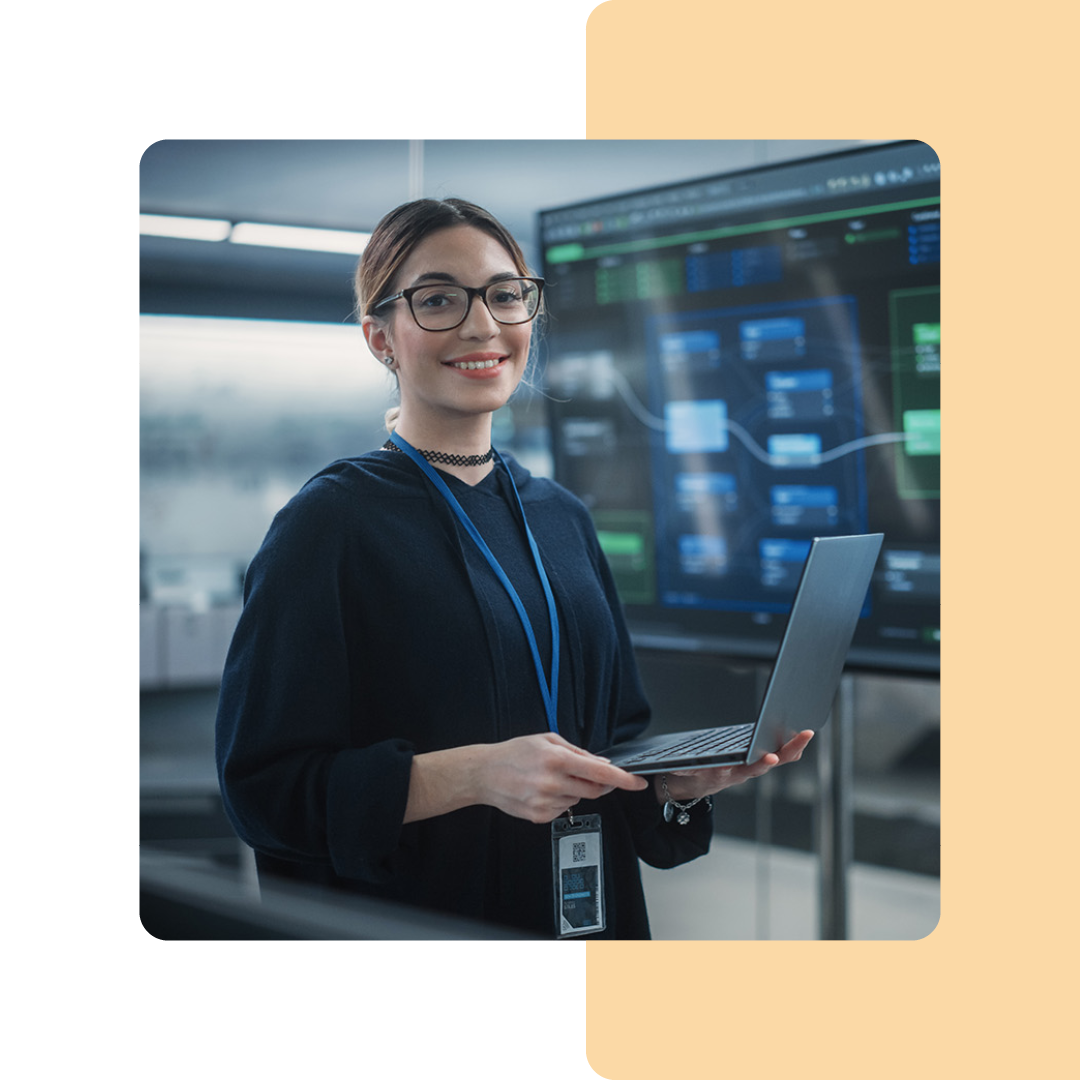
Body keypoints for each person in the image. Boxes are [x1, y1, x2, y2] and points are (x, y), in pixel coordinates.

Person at [215, 197, 812, 939]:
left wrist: (672, 785)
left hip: (586, 918)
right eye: (438, 300)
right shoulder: (329, 526)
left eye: (504, 295)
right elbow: (265, 794)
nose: (482, 325)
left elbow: (616, 739)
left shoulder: (562, 517)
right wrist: (469, 775)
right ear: (381, 339)